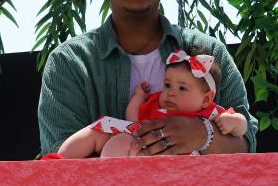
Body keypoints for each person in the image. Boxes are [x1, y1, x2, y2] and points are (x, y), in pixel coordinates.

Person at [38, 0, 257, 156]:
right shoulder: (69, 62)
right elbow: (57, 160)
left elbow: (247, 144)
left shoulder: (210, 53)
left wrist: (201, 135)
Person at [58, 49, 248, 158]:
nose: (171, 92)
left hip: (181, 163)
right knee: (103, 128)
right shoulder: (158, 102)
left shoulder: (210, 113)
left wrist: (234, 122)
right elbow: (133, 119)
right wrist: (139, 97)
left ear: (206, 98)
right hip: (140, 144)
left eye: (182, 88)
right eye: (167, 85)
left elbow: (242, 128)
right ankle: (58, 161)